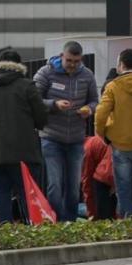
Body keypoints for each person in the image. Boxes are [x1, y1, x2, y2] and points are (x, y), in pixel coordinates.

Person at [0, 50, 48, 224]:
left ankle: (5, 230)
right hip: (23, 151)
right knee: (26, 191)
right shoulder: (27, 86)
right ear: (19, 66)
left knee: (1, 191)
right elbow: (41, 116)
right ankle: (31, 227)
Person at [33, 41, 98, 222]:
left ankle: (69, 220)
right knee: (55, 183)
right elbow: (34, 99)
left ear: (81, 59)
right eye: (69, 60)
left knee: (73, 185)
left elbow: (94, 100)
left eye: (76, 61)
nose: (72, 65)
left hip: (76, 138)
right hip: (51, 137)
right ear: (62, 56)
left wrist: (89, 109)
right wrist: (54, 104)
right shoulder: (46, 73)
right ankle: (58, 221)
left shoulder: (87, 75)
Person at [95, 49, 132, 217]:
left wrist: (103, 134)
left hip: (121, 145)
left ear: (121, 65)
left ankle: (128, 222)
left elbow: (100, 114)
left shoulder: (113, 86)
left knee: (123, 189)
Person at [81, 135, 115, 220]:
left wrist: (91, 214)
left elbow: (87, 182)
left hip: (106, 175)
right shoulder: (95, 141)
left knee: (103, 217)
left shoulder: (86, 149)